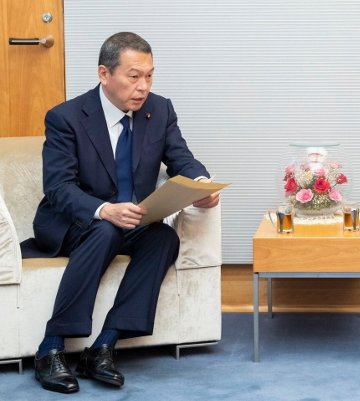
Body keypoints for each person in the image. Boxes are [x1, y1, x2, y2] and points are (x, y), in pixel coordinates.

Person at [29, 32, 220, 394]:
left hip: (131, 221)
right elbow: (58, 188)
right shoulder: (65, 117)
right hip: (75, 221)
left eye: (149, 76)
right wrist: (104, 210)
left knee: (163, 237)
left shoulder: (159, 110)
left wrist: (201, 185)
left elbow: (181, 158)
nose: (143, 86)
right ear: (104, 74)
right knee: (105, 229)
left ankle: (103, 346)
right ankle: (50, 348)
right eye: (134, 76)